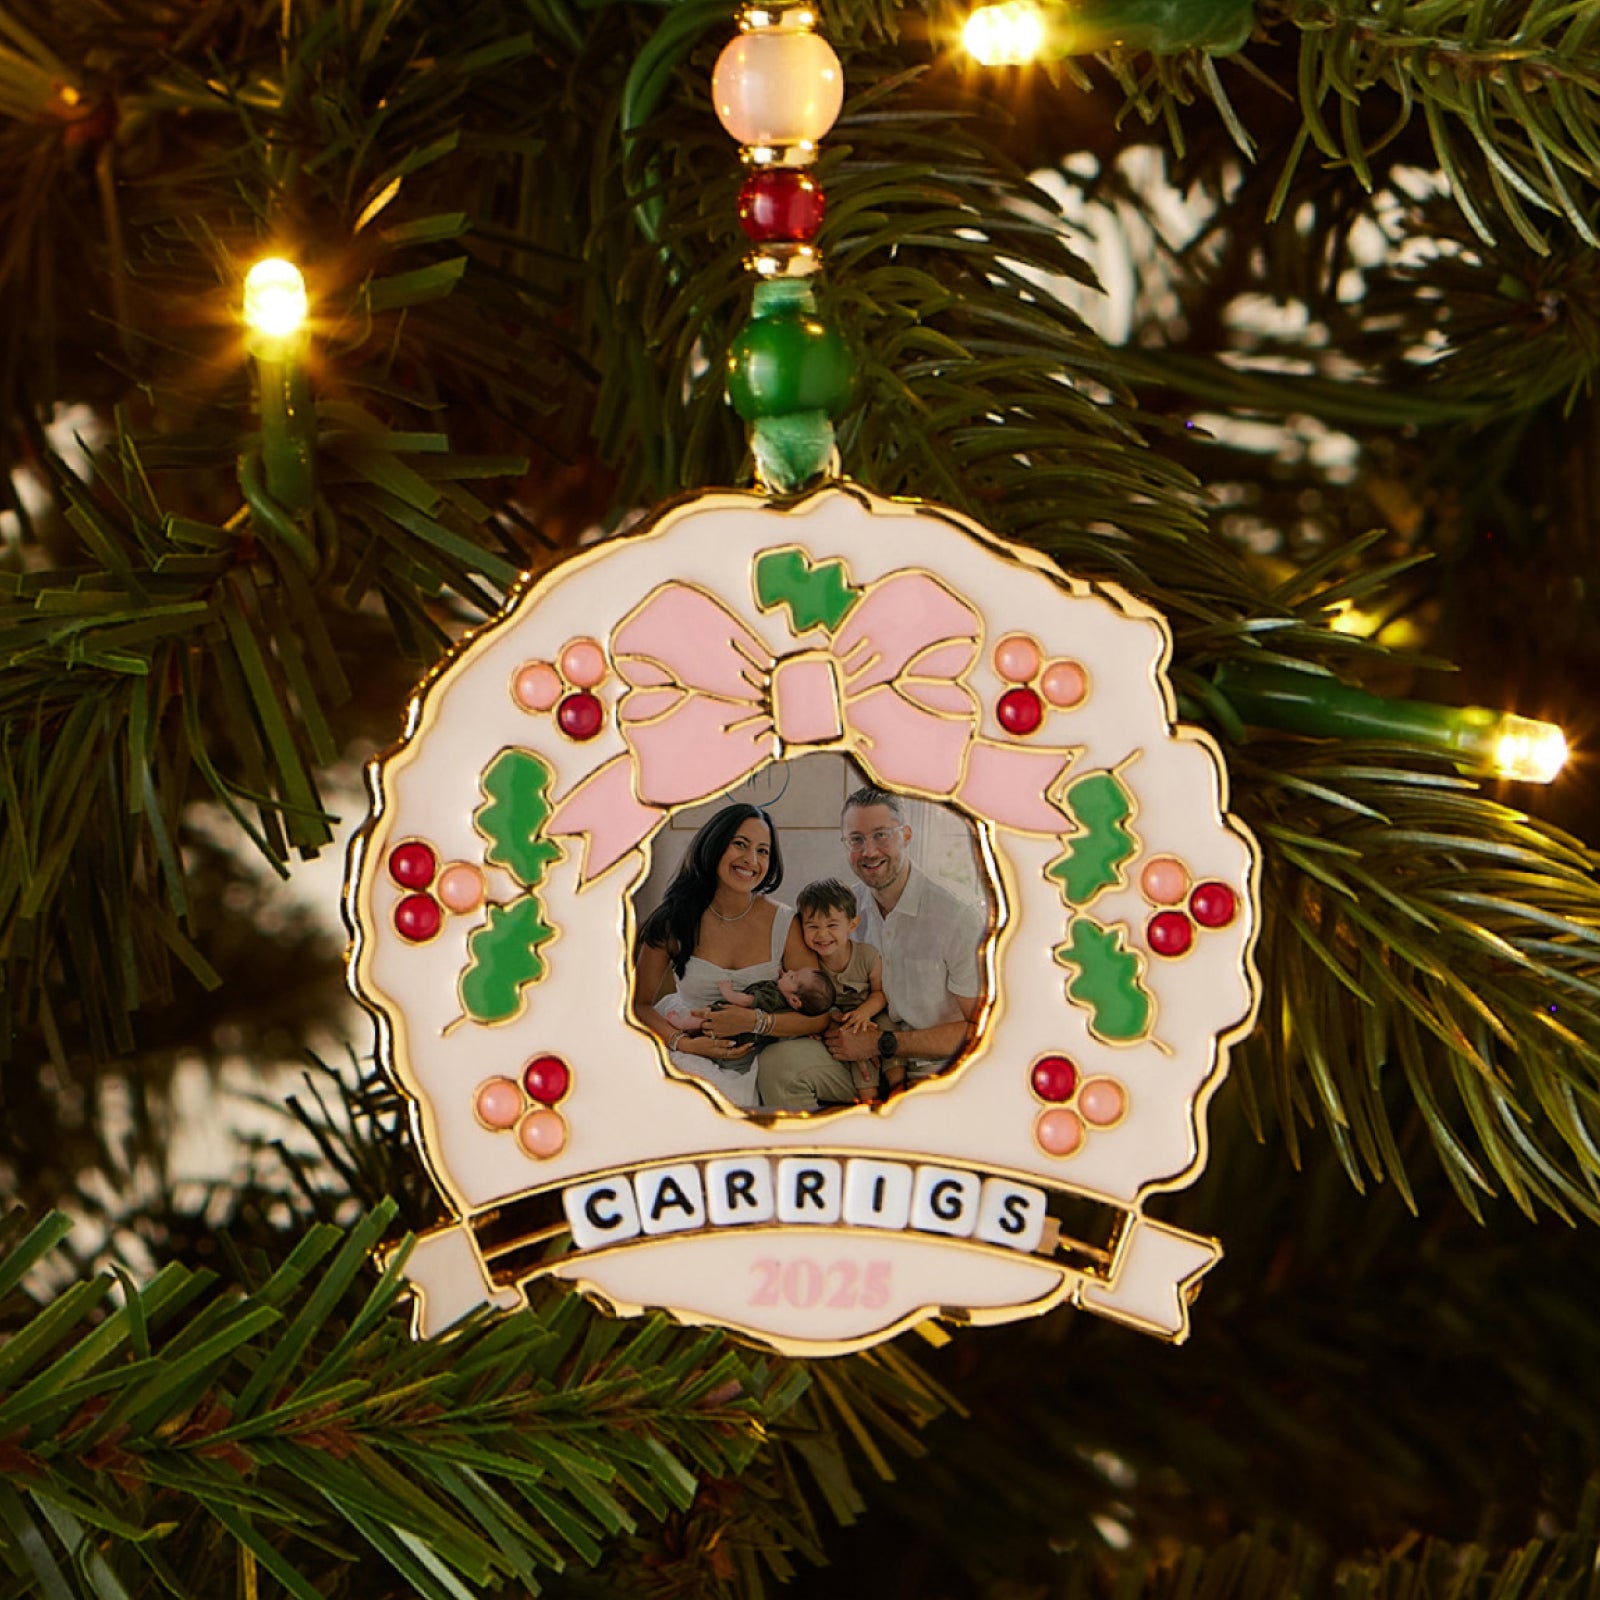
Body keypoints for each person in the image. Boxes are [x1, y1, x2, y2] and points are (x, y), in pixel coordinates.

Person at [758, 787, 985, 1111]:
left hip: (933, 1068)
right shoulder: (840, 916)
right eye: (856, 840)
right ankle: (819, 1154)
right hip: (858, 1054)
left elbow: (981, 1029)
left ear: (906, 835)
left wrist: (883, 1043)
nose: (869, 851)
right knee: (778, 1063)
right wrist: (827, 1027)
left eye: (881, 836)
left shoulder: (957, 917)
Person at [633, 804, 827, 1109]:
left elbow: (818, 1015)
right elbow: (639, 1004)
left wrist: (754, 1020)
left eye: (763, 851)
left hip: (762, 1053)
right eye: (740, 844)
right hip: (688, 1045)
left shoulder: (785, 922)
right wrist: (684, 1043)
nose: (751, 860)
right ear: (714, 845)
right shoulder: (673, 920)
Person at [794, 878, 895, 1102]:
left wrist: (864, 1013)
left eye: (831, 925)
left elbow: (881, 993)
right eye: (812, 927)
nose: (822, 935)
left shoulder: (867, 955)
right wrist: (818, 1022)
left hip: (870, 1014)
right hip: (837, 1020)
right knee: (851, 1040)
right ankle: (869, 1101)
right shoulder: (810, 964)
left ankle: (898, 1085)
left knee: (888, 1028)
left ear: (852, 925)